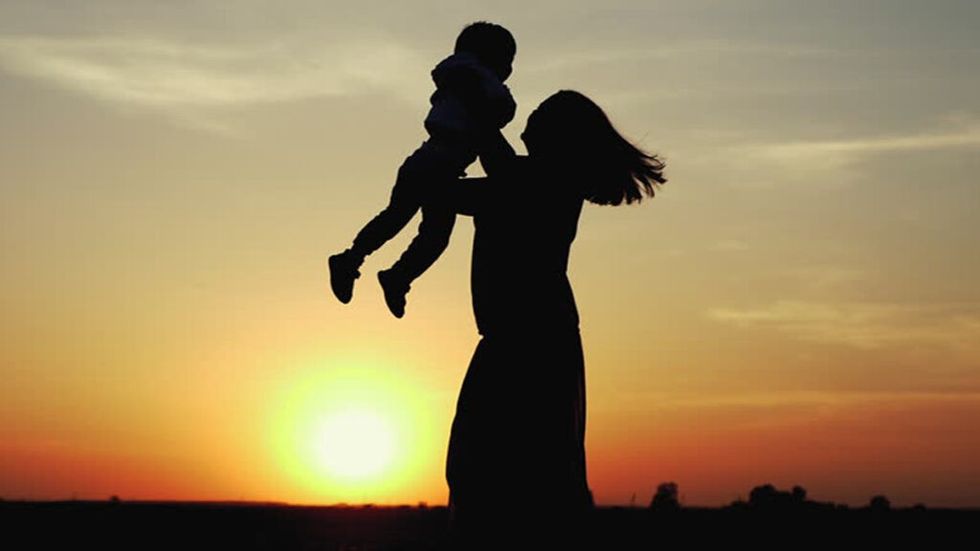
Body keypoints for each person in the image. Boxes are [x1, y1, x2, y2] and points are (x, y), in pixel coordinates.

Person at [443, 90, 667, 549]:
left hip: (529, 342)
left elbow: (467, 185)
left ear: (559, 136)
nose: (531, 116)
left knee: (496, 471)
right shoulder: (533, 179)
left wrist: (469, 106)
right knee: (503, 470)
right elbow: (488, 172)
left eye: (541, 114)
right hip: (531, 337)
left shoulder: (542, 181)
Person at [327, 21, 517, 318]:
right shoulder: (470, 79)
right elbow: (497, 110)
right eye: (506, 60)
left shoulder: (463, 81)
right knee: (407, 223)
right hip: (434, 164)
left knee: (418, 228)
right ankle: (362, 264)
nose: (509, 70)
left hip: (435, 165)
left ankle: (385, 272)